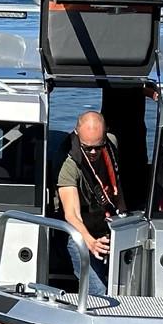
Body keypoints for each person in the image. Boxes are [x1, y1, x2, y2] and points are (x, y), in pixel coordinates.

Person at [57, 111, 126, 295]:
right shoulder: (69, 165)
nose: (94, 152)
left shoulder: (111, 144)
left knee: (123, 286)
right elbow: (72, 214)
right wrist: (90, 242)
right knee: (98, 290)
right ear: (77, 134)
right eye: (88, 148)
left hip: (106, 226)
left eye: (98, 146)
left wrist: (123, 226)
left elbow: (117, 188)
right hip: (79, 233)